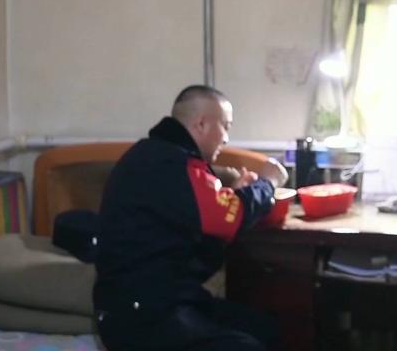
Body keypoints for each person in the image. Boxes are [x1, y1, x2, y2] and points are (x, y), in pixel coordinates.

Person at [93, 85, 286, 351]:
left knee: (264, 327)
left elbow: (211, 215)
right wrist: (268, 182)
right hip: (143, 315)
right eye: (225, 126)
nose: (226, 138)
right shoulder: (175, 165)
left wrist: (235, 196)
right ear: (202, 124)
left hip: (164, 300)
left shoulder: (157, 154)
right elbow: (232, 217)